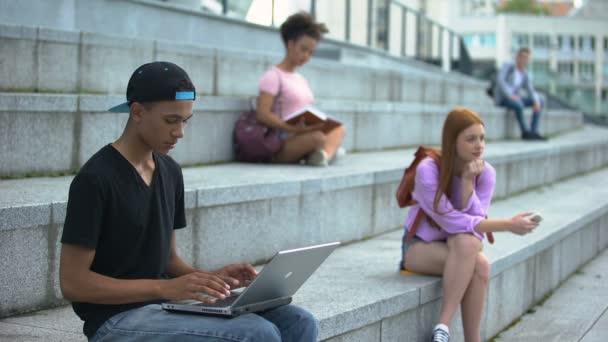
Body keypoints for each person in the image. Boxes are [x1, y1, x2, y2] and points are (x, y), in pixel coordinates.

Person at [59, 61, 318, 341]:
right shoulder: (96, 179)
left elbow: (169, 261)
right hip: (114, 320)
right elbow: (74, 283)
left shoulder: (170, 171)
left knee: (299, 322)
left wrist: (210, 279)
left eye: (185, 121)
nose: (180, 132)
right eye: (171, 120)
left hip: (164, 307)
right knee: (256, 333)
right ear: (137, 112)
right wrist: (163, 289)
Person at [399, 108, 540, 342]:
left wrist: (467, 184)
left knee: (479, 261)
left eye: (482, 138)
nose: (479, 145)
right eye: (471, 139)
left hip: (459, 249)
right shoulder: (428, 169)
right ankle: (443, 326)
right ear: (452, 140)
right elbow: (451, 221)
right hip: (418, 248)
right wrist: (507, 224)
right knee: (467, 244)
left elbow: (475, 229)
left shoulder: (486, 173)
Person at [256, 12, 346, 166]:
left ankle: (322, 155)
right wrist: (291, 127)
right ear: (290, 44)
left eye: (311, 52)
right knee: (319, 139)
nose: (306, 56)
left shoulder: (301, 79)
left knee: (339, 129)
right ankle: (324, 154)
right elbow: (262, 114)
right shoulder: (273, 76)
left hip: (302, 133)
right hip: (282, 141)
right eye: (303, 49)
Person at [494, 47, 547, 140]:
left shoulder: (525, 74)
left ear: (529, 60)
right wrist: (510, 96)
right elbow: (500, 80)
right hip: (503, 98)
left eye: (526, 58)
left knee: (540, 100)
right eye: (522, 57)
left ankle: (533, 132)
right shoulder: (509, 66)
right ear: (517, 57)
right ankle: (525, 132)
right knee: (519, 104)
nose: (524, 60)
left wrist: (536, 102)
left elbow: (531, 90)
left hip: (515, 98)